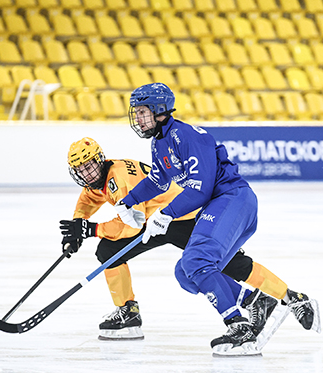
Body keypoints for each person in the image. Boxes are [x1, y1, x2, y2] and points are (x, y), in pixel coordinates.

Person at [113, 83, 317, 353]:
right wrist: (127, 201)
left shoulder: (187, 136)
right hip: (221, 206)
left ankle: (238, 325)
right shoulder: (159, 142)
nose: (137, 119)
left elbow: (200, 188)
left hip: (233, 200)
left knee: (196, 261)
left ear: (159, 110)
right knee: (186, 272)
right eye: (136, 113)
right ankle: (257, 302)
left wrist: (165, 214)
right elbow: (157, 180)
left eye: (142, 112)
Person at [60, 137, 313, 349]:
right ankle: (128, 311)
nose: (87, 173)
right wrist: (76, 226)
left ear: (100, 159)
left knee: (229, 265)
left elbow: (131, 226)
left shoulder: (119, 178)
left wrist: (91, 229)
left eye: (90, 165)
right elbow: (88, 199)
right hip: (154, 220)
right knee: (108, 251)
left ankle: (289, 296)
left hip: (179, 216)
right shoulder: (99, 180)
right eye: (81, 169)